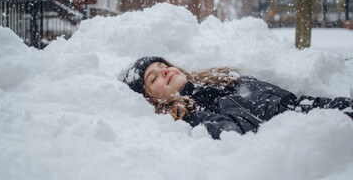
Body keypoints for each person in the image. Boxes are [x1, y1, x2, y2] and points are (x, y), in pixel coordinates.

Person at [123, 56, 353, 139]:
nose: (165, 71)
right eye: (153, 79)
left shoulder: (224, 79)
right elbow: (237, 136)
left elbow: (296, 103)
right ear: (151, 100)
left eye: (164, 65)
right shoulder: (189, 116)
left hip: (316, 117)